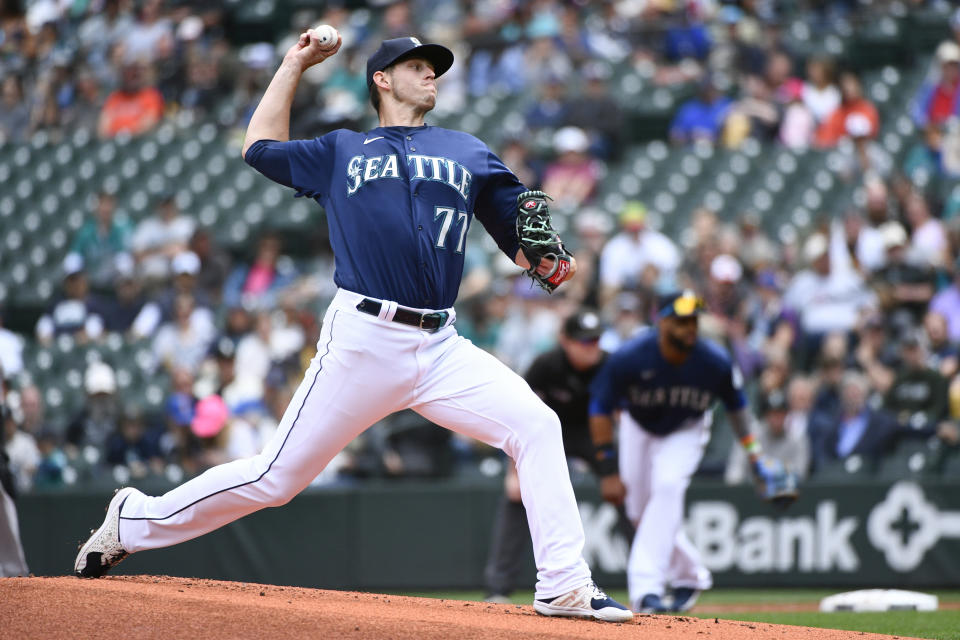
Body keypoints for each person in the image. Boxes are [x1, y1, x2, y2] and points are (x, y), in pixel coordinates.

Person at [74, 34, 631, 623]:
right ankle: (135, 520)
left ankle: (564, 584)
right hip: (364, 339)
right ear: (381, 80)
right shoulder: (341, 149)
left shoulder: (467, 150)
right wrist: (294, 63)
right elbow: (259, 147)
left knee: (538, 426)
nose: (431, 76)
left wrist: (543, 257)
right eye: (416, 66)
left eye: (434, 68)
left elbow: (521, 239)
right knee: (275, 478)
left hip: (441, 345)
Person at [589, 291, 772, 614]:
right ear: (661, 321)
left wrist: (756, 457)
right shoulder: (630, 356)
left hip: (687, 427)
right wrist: (607, 468)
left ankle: (647, 590)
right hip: (639, 425)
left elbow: (738, 411)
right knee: (637, 510)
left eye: (694, 319)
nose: (690, 327)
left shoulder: (713, 360)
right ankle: (690, 575)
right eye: (681, 319)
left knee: (668, 486)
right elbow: (600, 408)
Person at [483, 309, 608, 602]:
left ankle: (651, 584)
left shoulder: (609, 365)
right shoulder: (545, 365)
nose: (591, 347)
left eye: (595, 341)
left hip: (594, 434)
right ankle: (497, 588)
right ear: (565, 341)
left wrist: (615, 467)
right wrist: (514, 471)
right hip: (547, 434)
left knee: (625, 493)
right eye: (583, 341)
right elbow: (521, 417)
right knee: (516, 497)